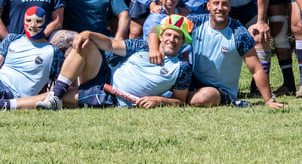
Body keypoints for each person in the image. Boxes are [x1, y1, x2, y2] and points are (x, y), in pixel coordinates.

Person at [39, 16, 196, 109]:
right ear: (161, 36)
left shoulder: (182, 68)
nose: (172, 40)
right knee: (87, 43)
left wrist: (159, 100)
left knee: (52, 99)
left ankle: (16, 104)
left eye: (177, 37)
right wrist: (88, 34)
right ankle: (56, 92)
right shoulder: (141, 45)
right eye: (168, 34)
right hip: (104, 76)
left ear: (183, 42)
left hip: (112, 97)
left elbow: (180, 101)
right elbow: (111, 45)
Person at [160, 0, 280, 107]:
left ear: (230, 7)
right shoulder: (196, 22)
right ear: (208, 6)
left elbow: (256, 69)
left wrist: (269, 101)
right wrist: (155, 49)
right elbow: (158, 29)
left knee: (203, 98)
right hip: (193, 82)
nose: (220, 8)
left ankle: (173, 99)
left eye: (224, 4)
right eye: (216, 3)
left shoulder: (239, 34)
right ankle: (174, 97)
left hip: (220, 91)